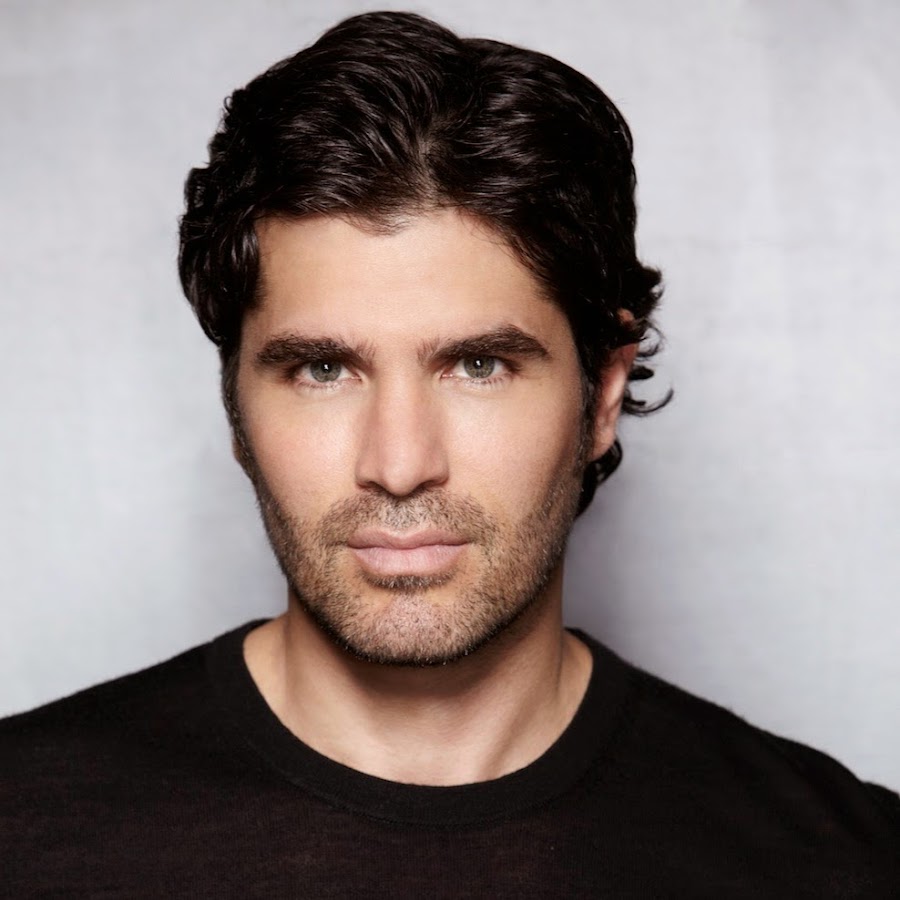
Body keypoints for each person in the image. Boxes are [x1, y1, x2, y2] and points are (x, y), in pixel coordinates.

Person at [1, 10, 897, 897]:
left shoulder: (844, 864)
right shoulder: (23, 829)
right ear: (236, 403)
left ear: (602, 398)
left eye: (479, 366)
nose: (399, 465)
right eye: (322, 369)